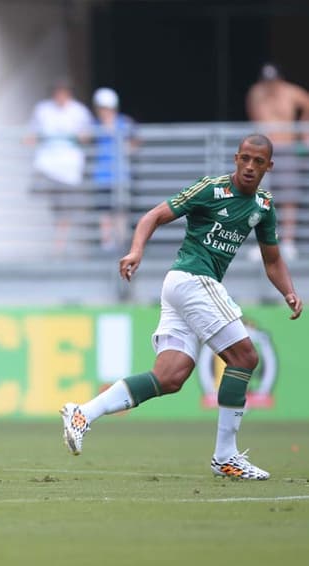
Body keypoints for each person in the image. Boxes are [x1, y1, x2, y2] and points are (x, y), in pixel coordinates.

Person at [60, 134, 303, 480]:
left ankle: (82, 413)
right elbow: (153, 216)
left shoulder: (263, 206)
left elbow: (273, 259)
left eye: (258, 162)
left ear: (269, 166)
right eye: (245, 158)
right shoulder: (211, 189)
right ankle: (225, 457)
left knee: (170, 377)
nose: (250, 167)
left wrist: (288, 292)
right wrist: (136, 251)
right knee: (246, 357)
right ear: (236, 158)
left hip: (183, 288)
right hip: (192, 280)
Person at [246, 63, 309, 260]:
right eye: (267, 82)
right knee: (260, 198)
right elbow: (254, 116)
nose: (270, 86)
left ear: (280, 80)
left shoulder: (291, 92)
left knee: (288, 197)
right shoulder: (256, 93)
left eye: (273, 82)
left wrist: (304, 134)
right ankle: (264, 241)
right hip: (263, 151)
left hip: (286, 148)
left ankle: (288, 242)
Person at [27, 78, 94, 255]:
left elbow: (88, 135)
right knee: (50, 205)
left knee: (65, 209)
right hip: (46, 167)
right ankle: (57, 243)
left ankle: (58, 245)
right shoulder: (43, 110)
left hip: (68, 170)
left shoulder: (79, 111)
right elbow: (31, 134)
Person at [91, 87, 136, 253]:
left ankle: (122, 244)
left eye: (106, 108)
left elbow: (135, 141)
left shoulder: (124, 122)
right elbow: (83, 137)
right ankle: (107, 245)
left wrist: (127, 148)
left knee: (121, 212)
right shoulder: (94, 124)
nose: (103, 112)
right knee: (104, 213)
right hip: (102, 176)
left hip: (121, 176)